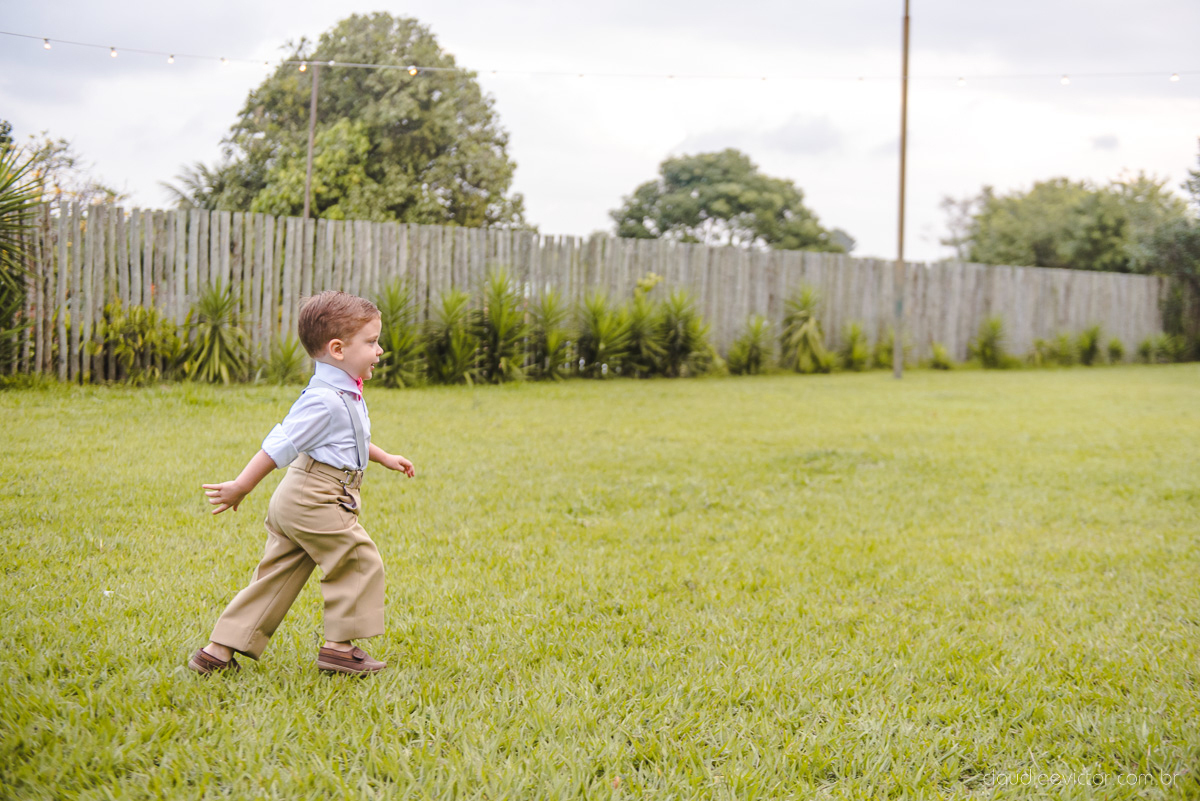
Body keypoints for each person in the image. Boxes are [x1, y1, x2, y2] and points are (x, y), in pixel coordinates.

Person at [188, 291, 415, 676]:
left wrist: (384, 457)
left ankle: (216, 652)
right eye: (373, 342)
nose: (380, 350)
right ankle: (339, 649)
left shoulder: (344, 391)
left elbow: (349, 439)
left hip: (302, 496)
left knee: (279, 574)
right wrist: (242, 485)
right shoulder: (324, 399)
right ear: (338, 349)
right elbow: (280, 445)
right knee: (359, 559)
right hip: (316, 497)